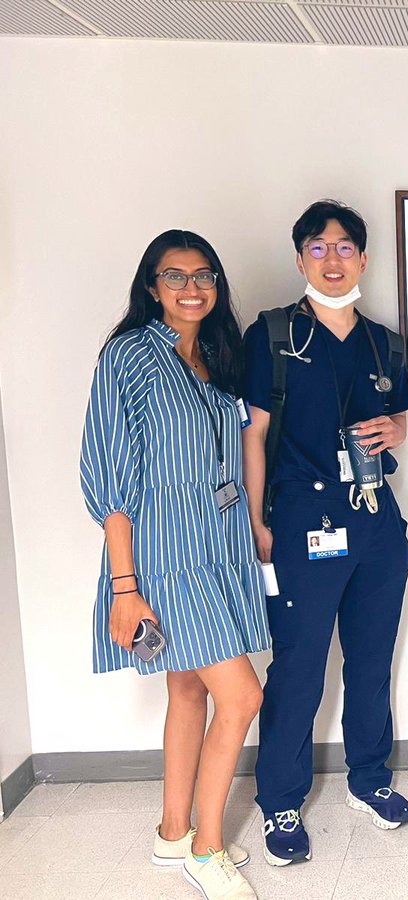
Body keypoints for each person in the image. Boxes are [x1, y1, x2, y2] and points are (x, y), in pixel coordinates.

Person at [81, 230, 268, 900]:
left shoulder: (217, 360)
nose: (192, 287)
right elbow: (111, 481)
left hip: (216, 547)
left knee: (189, 690)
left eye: (203, 274)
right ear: (151, 286)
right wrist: (124, 588)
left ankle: (173, 832)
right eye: (174, 275)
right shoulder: (129, 357)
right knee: (243, 696)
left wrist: (252, 528)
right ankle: (207, 850)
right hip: (163, 557)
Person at [242, 200, 408, 865]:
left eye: (344, 248)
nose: (332, 260)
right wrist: (259, 521)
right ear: (299, 258)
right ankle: (280, 801)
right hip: (301, 523)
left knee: (371, 664)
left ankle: (369, 780)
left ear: (363, 259)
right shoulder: (276, 335)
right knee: (300, 668)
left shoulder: (383, 342)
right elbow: (254, 434)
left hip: (375, 524)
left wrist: (399, 431)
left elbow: (397, 417)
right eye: (318, 248)